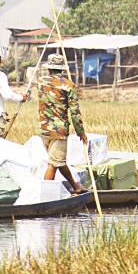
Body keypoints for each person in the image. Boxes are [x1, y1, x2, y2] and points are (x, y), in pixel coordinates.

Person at [38, 53, 88, 194]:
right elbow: (74, 112)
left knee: (58, 161)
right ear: (62, 69)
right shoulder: (68, 85)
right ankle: (44, 196)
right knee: (54, 164)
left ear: (49, 69)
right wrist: (81, 133)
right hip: (59, 132)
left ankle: (76, 186)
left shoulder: (41, 82)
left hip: (44, 131)